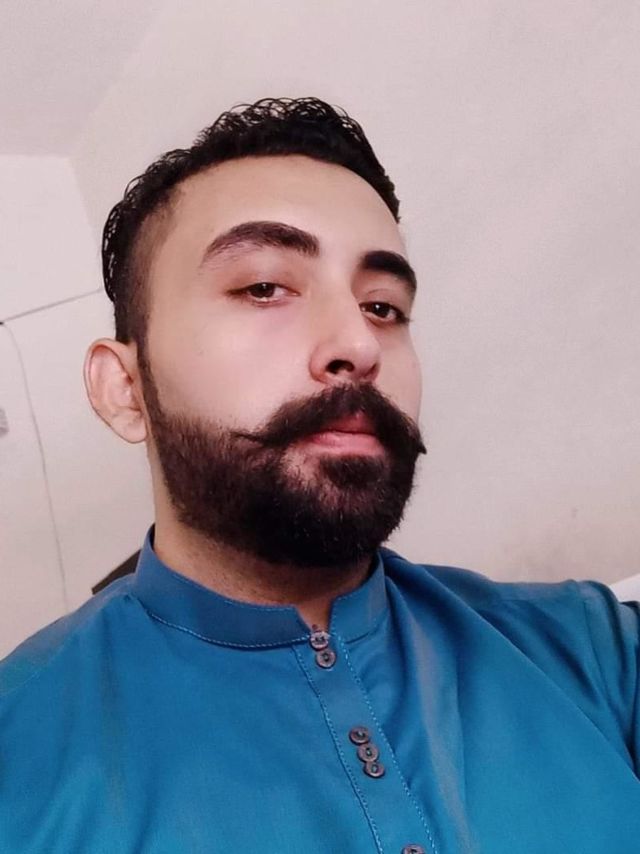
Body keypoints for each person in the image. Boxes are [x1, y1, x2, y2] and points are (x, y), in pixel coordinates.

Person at [0, 98, 638, 854]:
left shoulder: (594, 649)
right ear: (126, 390)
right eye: (264, 288)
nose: (359, 344)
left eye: (383, 306)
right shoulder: (17, 752)